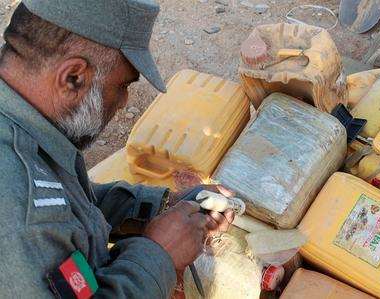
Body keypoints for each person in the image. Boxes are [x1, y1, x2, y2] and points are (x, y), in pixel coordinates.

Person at [0, 0, 234, 298]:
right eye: (122, 85)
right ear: (74, 77)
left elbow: (65, 206)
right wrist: (157, 255)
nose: (124, 101)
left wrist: (158, 206)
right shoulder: (18, 217)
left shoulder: (24, 120)